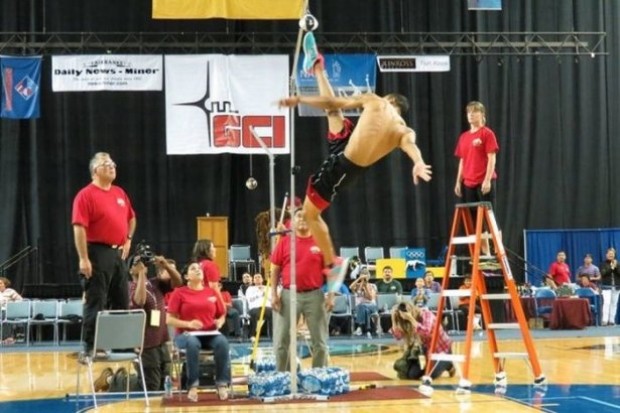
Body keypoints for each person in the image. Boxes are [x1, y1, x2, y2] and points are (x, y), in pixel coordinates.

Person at [279, 32, 432, 290]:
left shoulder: (374, 100)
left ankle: (333, 263)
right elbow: (411, 147)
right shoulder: (403, 130)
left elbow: (332, 100)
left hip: (345, 164)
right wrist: (418, 162)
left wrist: (301, 99)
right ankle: (317, 65)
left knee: (309, 214)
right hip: (348, 152)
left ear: (390, 100)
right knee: (333, 113)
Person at [72, 152, 136, 354]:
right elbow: (79, 227)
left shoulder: (119, 193)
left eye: (112, 163)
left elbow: (131, 218)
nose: (111, 166)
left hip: (118, 255)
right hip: (97, 252)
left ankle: (120, 343)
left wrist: (128, 239)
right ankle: (92, 345)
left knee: (121, 299)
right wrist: (83, 258)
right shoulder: (86, 195)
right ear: (94, 170)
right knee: (96, 299)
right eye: (105, 163)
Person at [94, 254, 182, 392]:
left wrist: (166, 266)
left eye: (142, 263)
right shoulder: (129, 287)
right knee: (150, 386)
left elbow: (178, 282)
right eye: (136, 264)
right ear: (130, 271)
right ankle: (112, 379)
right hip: (146, 344)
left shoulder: (155, 283)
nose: (141, 265)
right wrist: (141, 274)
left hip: (162, 340)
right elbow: (140, 301)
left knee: (164, 381)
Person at [271, 208, 330, 371]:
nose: (302, 218)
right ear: (293, 221)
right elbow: (275, 269)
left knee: (320, 342)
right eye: (298, 215)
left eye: (306, 215)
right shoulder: (284, 242)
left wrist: (331, 294)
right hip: (288, 295)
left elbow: (331, 270)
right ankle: (283, 377)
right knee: (282, 340)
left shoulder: (320, 241)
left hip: (315, 296)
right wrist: (273, 294)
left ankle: (318, 377)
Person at [166, 261, 231, 402]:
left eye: (199, 268)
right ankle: (193, 385)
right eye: (193, 269)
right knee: (192, 343)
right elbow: (169, 320)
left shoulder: (211, 291)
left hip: (209, 334)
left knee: (223, 343)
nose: (198, 270)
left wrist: (220, 321)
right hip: (185, 334)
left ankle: (221, 383)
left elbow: (222, 314)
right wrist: (188, 323)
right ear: (186, 276)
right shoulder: (179, 292)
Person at [453, 101, 499, 257]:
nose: (471, 115)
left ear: (482, 115)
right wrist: (458, 181)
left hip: (483, 181)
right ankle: (482, 251)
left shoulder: (487, 133)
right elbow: (462, 160)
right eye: (468, 112)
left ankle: (496, 249)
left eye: (474, 112)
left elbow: (492, 158)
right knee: (473, 220)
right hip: (468, 182)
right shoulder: (464, 137)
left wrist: (487, 180)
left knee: (488, 216)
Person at [391, 301, 455, 380]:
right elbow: (398, 336)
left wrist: (411, 319)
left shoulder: (426, 315)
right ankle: (428, 367)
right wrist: (393, 319)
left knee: (431, 375)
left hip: (442, 350)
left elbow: (426, 332)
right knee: (412, 375)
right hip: (426, 350)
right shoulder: (407, 321)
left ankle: (449, 364)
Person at [349, 269, 379, 338]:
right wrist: (359, 279)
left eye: (366, 275)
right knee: (364, 309)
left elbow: (370, 298)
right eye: (363, 274)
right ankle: (368, 330)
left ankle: (359, 327)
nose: (365, 277)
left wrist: (365, 287)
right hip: (360, 308)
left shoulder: (373, 286)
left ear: (369, 276)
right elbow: (350, 287)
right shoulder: (357, 285)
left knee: (362, 306)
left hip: (372, 306)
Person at [245, 273, 272, 339]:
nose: (257, 279)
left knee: (274, 314)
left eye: (259, 277)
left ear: (262, 279)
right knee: (254, 314)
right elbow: (249, 299)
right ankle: (252, 335)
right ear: (253, 280)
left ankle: (273, 335)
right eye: (255, 278)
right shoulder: (250, 289)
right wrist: (259, 294)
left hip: (267, 307)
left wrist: (264, 293)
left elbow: (271, 299)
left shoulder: (268, 288)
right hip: (255, 308)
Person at [0, 277, 24, 345]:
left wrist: (11, 304)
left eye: (1, 283)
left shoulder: (10, 291)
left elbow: (20, 300)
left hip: (8, 311)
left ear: (5, 284)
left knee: (5, 315)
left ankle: (7, 338)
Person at [600, 247, 620, 325]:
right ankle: (605, 320)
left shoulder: (618, 263)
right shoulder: (603, 264)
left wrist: (616, 266)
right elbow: (603, 273)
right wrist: (611, 267)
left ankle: (612, 320)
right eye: (609, 254)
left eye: (612, 254)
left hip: (616, 286)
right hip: (606, 286)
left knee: (614, 303)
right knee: (607, 302)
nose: (611, 255)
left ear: (614, 255)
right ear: (606, 255)